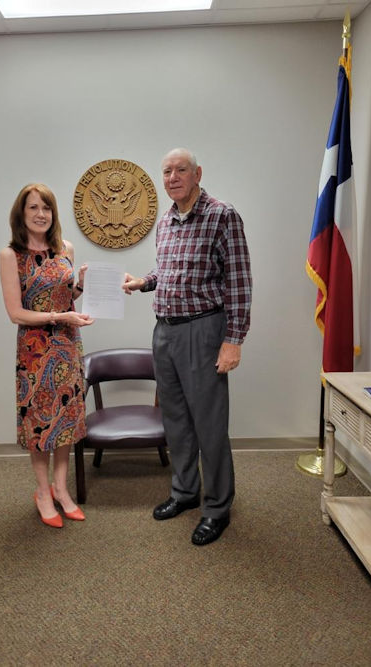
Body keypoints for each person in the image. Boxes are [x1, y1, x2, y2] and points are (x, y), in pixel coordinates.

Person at [123, 148, 252, 546]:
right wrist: (143, 282)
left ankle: (216, 508)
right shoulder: (166, 221)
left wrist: (234, 340)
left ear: (198, 174)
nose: (173, 176)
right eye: (167, 171)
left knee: (209, 425)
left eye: (181, 170)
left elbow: (239, 281)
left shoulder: (222, 215)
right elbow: (168, 271)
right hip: (165, 331)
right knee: (175, 422)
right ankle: (184, 493)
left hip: (204, 331)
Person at [0, 183, 94, 528]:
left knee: (66, 421)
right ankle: (42, 492)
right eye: (33, 208)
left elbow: (67, 298)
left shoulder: (64, 247)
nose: (41, 214)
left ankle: (61, 489)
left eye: (47, 208)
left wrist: (81, 285)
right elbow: (16, 313)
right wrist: (60, 317)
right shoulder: (11, 255)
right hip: (36, 352)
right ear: (21, 214)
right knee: (40, 423)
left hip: (68, 346)